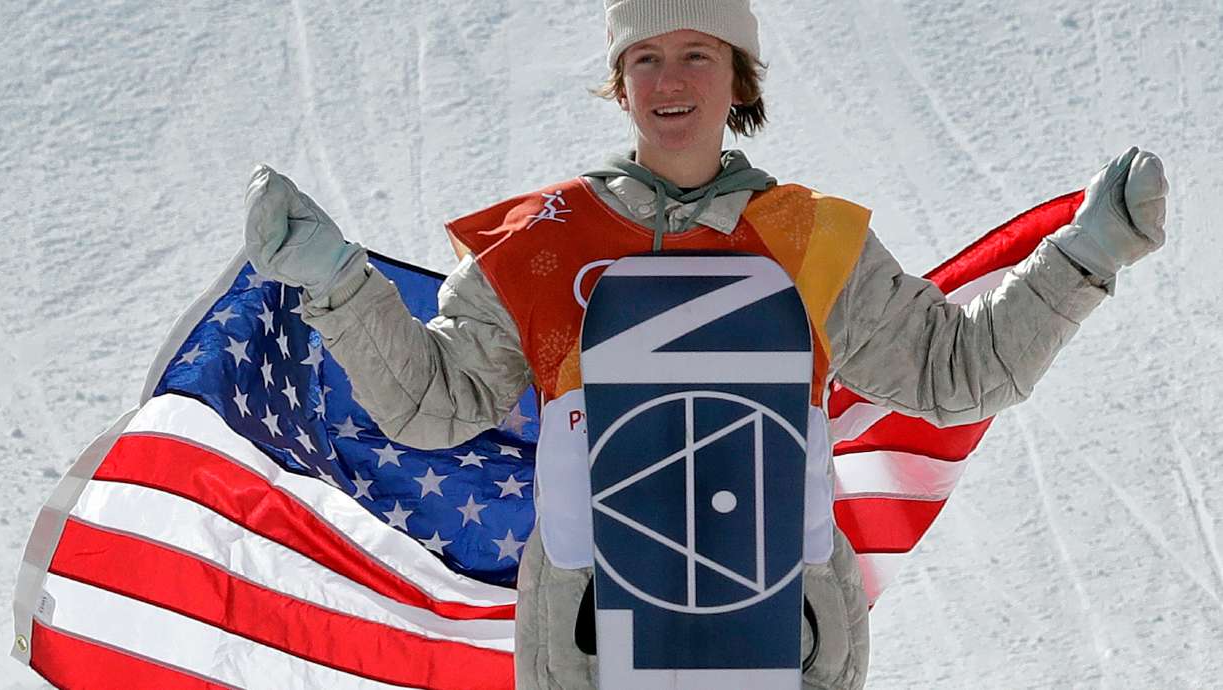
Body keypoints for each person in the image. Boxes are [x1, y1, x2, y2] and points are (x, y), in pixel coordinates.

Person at [242, 1, 1168, 688]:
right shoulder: (545, 243)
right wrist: (338, 282)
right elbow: (433, 405)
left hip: (781, 641)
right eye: (645, 58)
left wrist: (1087, 256)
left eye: (697, 53)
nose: (670, 81)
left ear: (739, 78)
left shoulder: (807, 239)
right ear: (620, 82)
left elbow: (958, 373)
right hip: (592, 647)